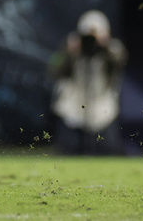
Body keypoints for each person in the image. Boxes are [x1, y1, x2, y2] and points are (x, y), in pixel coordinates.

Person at [49, 10, 128, 155]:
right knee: (65, 152)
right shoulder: (70, 47)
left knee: (110, 153)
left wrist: (105, 45)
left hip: (103, 113)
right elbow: (54, 68)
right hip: (73, 112)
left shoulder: (113, 48)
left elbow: (120, 60)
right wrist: (68, 52)